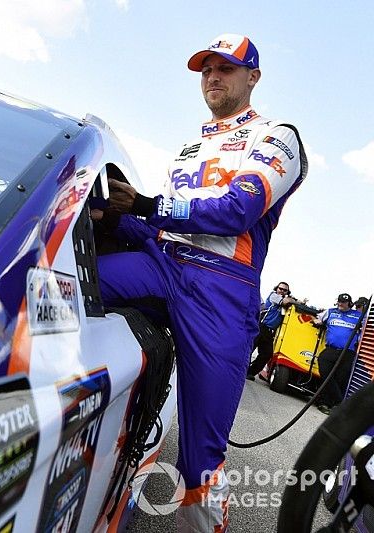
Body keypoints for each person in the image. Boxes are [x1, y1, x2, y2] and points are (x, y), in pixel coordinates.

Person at [93, 34, 307, 532]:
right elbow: (163, 225)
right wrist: (111, 216)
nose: (213, 77)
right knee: (66, 283)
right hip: (165, 263)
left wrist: (145, 205)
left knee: (199, 460)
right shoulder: (190, 148)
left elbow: (237, 211)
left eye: (226, 68)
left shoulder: (278, 137)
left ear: (252, 77)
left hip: (222, 289)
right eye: (207, 69)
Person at [311, 293, 362, 414]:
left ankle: (327, 404)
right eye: (339, 301)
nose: (340, 304)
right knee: (326, 373)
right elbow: (316, 318)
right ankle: (340, 402)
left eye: (343, 302)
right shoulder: (330, 312)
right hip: (331, 350)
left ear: (349, 303)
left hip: (347, 352)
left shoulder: (358, 316)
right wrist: (316, 321)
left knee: (340, 379)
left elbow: (366, 329)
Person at [247, 282, 296, 380]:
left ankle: (250, 372)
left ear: (287, 292)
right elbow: (285, 302)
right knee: (249, 349)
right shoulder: (273, 296)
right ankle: (240, 369)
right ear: (276, 288)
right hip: (261, 326)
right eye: (280, 288)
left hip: (270, 332)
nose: (281, 291)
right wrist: (294, 300)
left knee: (267, 353)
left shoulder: (287, 303)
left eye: (284, 290)